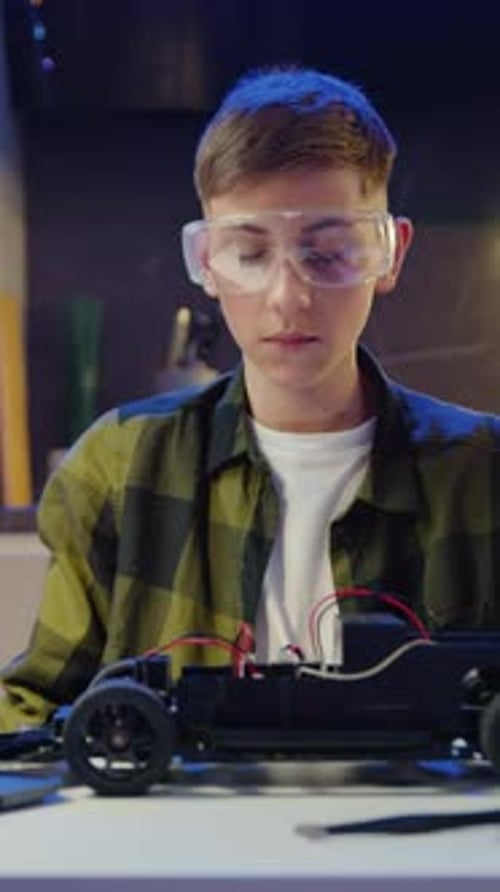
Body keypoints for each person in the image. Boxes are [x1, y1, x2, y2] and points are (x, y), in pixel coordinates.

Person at [2, 65, 500, 732]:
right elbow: (32, 711)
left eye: (328, 253)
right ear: (208, 262)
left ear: (390, 253)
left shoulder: (482, 472)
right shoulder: (118, 469)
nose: (288, 298)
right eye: (249, 254)